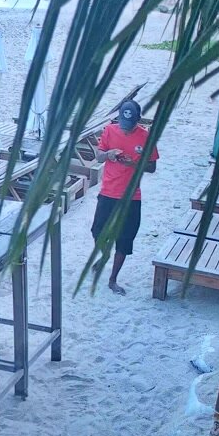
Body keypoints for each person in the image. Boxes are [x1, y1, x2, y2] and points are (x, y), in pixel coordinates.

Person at [92, 98, 159, 295]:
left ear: (138, 119)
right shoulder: (109, 131)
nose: (126, 128)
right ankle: (104, 254)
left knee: (125, 239)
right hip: (108, 191)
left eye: (130, 125)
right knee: (97, 230)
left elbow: (152, 167)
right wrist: (109, 154)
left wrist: (133, 164)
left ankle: (113, 279)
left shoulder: (146, 137)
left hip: (131, 196)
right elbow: (99, 156)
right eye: (123, 123)